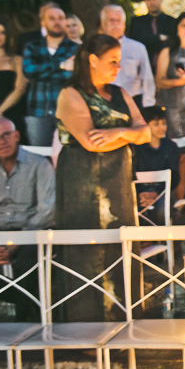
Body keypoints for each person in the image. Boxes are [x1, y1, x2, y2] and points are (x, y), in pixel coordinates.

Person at [55, 34, 150, 321]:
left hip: (117, 178)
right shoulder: (71, 94)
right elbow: (90, 142)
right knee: (86, 249)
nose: (118, 67)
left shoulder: (120, 93)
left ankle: (125, 319)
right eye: (112, 61)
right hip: (81, 180)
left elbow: (146, 132)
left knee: (120, 242)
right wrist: (127, 134)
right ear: (92, 60)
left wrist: (117, 132)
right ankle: (86, 326)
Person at [0, 115, 54, 321]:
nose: (1, 141)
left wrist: (18, 242)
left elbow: (47, 210)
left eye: (6, 134)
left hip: (35, 233)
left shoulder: (39, 164)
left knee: (27, 264)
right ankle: (29, 300)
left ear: (16, 135)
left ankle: (27, 323)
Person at [22, 5, 78, 146]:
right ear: (43, 22)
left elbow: (72, 76)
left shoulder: (75, 48)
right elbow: (28, 70)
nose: (57, 22)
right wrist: (62, 66)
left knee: (67, 154)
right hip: (38, 110)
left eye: (61, 18)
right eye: (51, 18)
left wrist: (42, 72)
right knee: (39, 156)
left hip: (67, 112)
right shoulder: (32, 47)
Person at [132, 106, 181, 226]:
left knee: (161, 209)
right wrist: (141, 194)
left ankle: (161, 241)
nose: (161, 127)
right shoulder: (135, 148)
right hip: (139, 193)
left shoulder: (171, 147)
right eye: (156, 124)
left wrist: (155, 194)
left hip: (162, 192)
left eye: (163, 123)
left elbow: (174, 176)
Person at [100, 5, 155, 108]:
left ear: (124, 24)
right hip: (106, 103)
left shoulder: (138, 48)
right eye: (111, 20)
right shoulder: (97, 49)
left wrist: (148, 105)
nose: (116, 24)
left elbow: (147, 78)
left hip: (133, 102)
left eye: (119, 21)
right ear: (103, 24)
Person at [128, 0, 176, 68]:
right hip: (142, 67)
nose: (151, 3)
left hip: (167, 67)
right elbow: (134, 43)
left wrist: (147, 41)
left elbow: (173, 43)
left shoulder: (172, 22)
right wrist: (158, 37)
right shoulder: (137, 22)